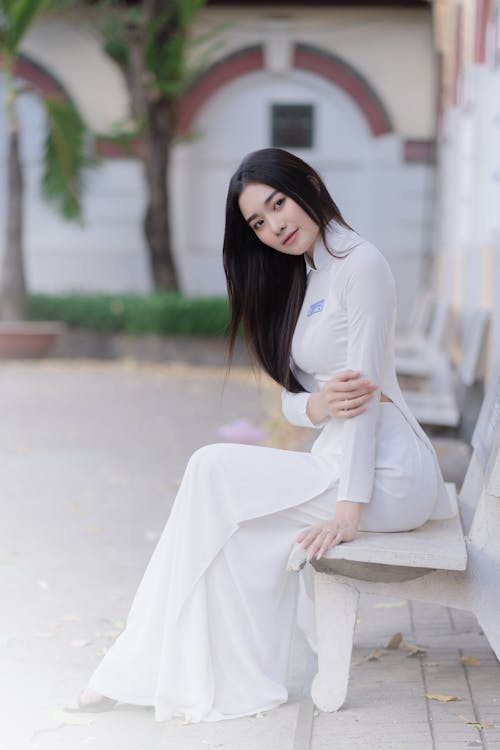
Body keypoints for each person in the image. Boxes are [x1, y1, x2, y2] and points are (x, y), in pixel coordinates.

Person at [72, 148, 455, 722]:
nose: (275, 226)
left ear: (307, 184)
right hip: (342, 461)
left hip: (388, 477)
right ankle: (183, 669)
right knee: (222, 513)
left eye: (277, 203)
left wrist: (349, 512)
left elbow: (368, 403)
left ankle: (139, 666)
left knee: (212, 473)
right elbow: (296, 399)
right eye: (257, 221)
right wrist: (316, 406)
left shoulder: (360, 264)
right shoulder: (308, 272)